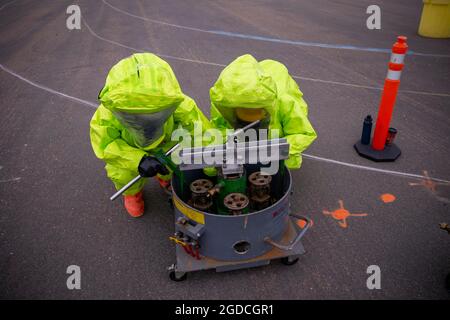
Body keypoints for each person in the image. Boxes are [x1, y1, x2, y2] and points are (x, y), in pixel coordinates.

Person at [90, 53, 210, 217]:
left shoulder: (182, 106)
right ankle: (132, 193)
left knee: (172, 160)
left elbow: (202, 134)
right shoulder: (107, 116)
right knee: (122, 172)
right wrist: (137, 160)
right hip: (130, 149)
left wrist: (211, 167)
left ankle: (165, 177)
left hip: (165, 145)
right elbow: (106, 146)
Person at [209, 54, 317, 169]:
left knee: (289, 161)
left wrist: (272, 150)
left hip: (279, 82)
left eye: (252, 112)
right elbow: (219, 129)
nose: (249, 116)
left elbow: (303, 133)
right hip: (250, 91)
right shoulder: (225, 102)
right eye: (244, 112)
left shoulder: (285, 101)